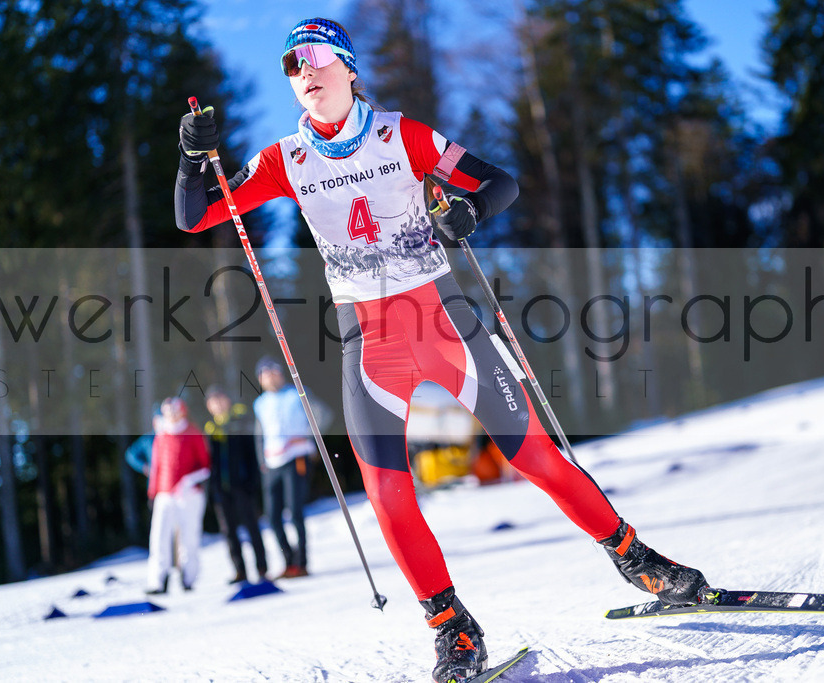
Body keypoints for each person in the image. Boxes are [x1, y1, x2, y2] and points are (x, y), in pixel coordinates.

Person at [174, 18, 708, 682]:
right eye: (289, 65)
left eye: (312, 57)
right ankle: (452, 628)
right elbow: (195, 215)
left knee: (536, 454)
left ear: (346, 66)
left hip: (445, 323)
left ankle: (641, 561)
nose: (301, 71)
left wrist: (468, 213)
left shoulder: (402, 134)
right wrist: (192, 158)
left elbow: (498, 183)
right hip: (369, 344)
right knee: (389, 495)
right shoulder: (287, 159)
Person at [251, 356, 328, 579]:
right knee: (272, 517)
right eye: (265, 374)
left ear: (281, 374)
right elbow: (259, 434)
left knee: (295, 512)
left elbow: (322, 414)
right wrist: (261, 462)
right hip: (272, 463)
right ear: (260, 379)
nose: (270, 377)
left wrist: (305, 436)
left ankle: (301, 563)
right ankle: (288, 562)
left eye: (273, 372)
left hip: (296, 458)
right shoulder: (260, 403)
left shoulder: (297, 393)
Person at [204, 385, 269, 584]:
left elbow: (251, 452)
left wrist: (251, 480)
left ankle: (261, 568)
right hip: (221, 489)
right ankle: (240, 570)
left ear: (227, 400)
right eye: (213, 402)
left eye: (220, 399)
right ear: (209, 406)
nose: (217, 404)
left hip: (242, 484)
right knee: (229, 531)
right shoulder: (210, 429)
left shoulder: (240, 422)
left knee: (251, 526)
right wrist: (212, 487)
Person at [146, 397, 210, 594]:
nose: (172, 415)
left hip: (189, 495)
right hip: (165, 494)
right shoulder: (161, 435)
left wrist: (188, 482)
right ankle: (158, 579)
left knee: (189, 537)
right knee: (159, 537)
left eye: (175, 411)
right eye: (168, 412)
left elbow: (205, 466)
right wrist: (153, 491)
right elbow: (157, 466)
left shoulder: (192, 433)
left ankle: (188, 577)